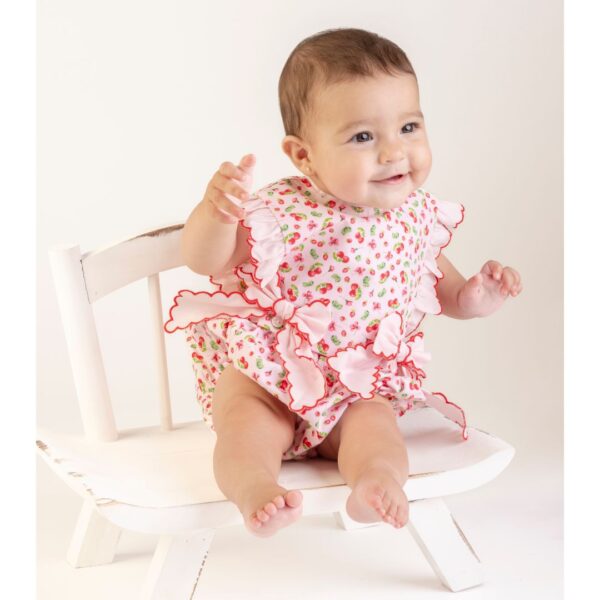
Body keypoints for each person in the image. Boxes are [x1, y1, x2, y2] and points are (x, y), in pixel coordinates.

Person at [164, 28, 523, 538]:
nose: (394, 152)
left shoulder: (416, 215)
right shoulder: (282, 209)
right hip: (268, 373)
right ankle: (255, 489)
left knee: (377, 432)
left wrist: (477, 297)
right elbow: (206, 260)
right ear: (303, 155)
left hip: (357, 387)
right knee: (245, 427)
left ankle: (375, 482)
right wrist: (216, 215)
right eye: (363, 137)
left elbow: (446, 291)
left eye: (408, 127)